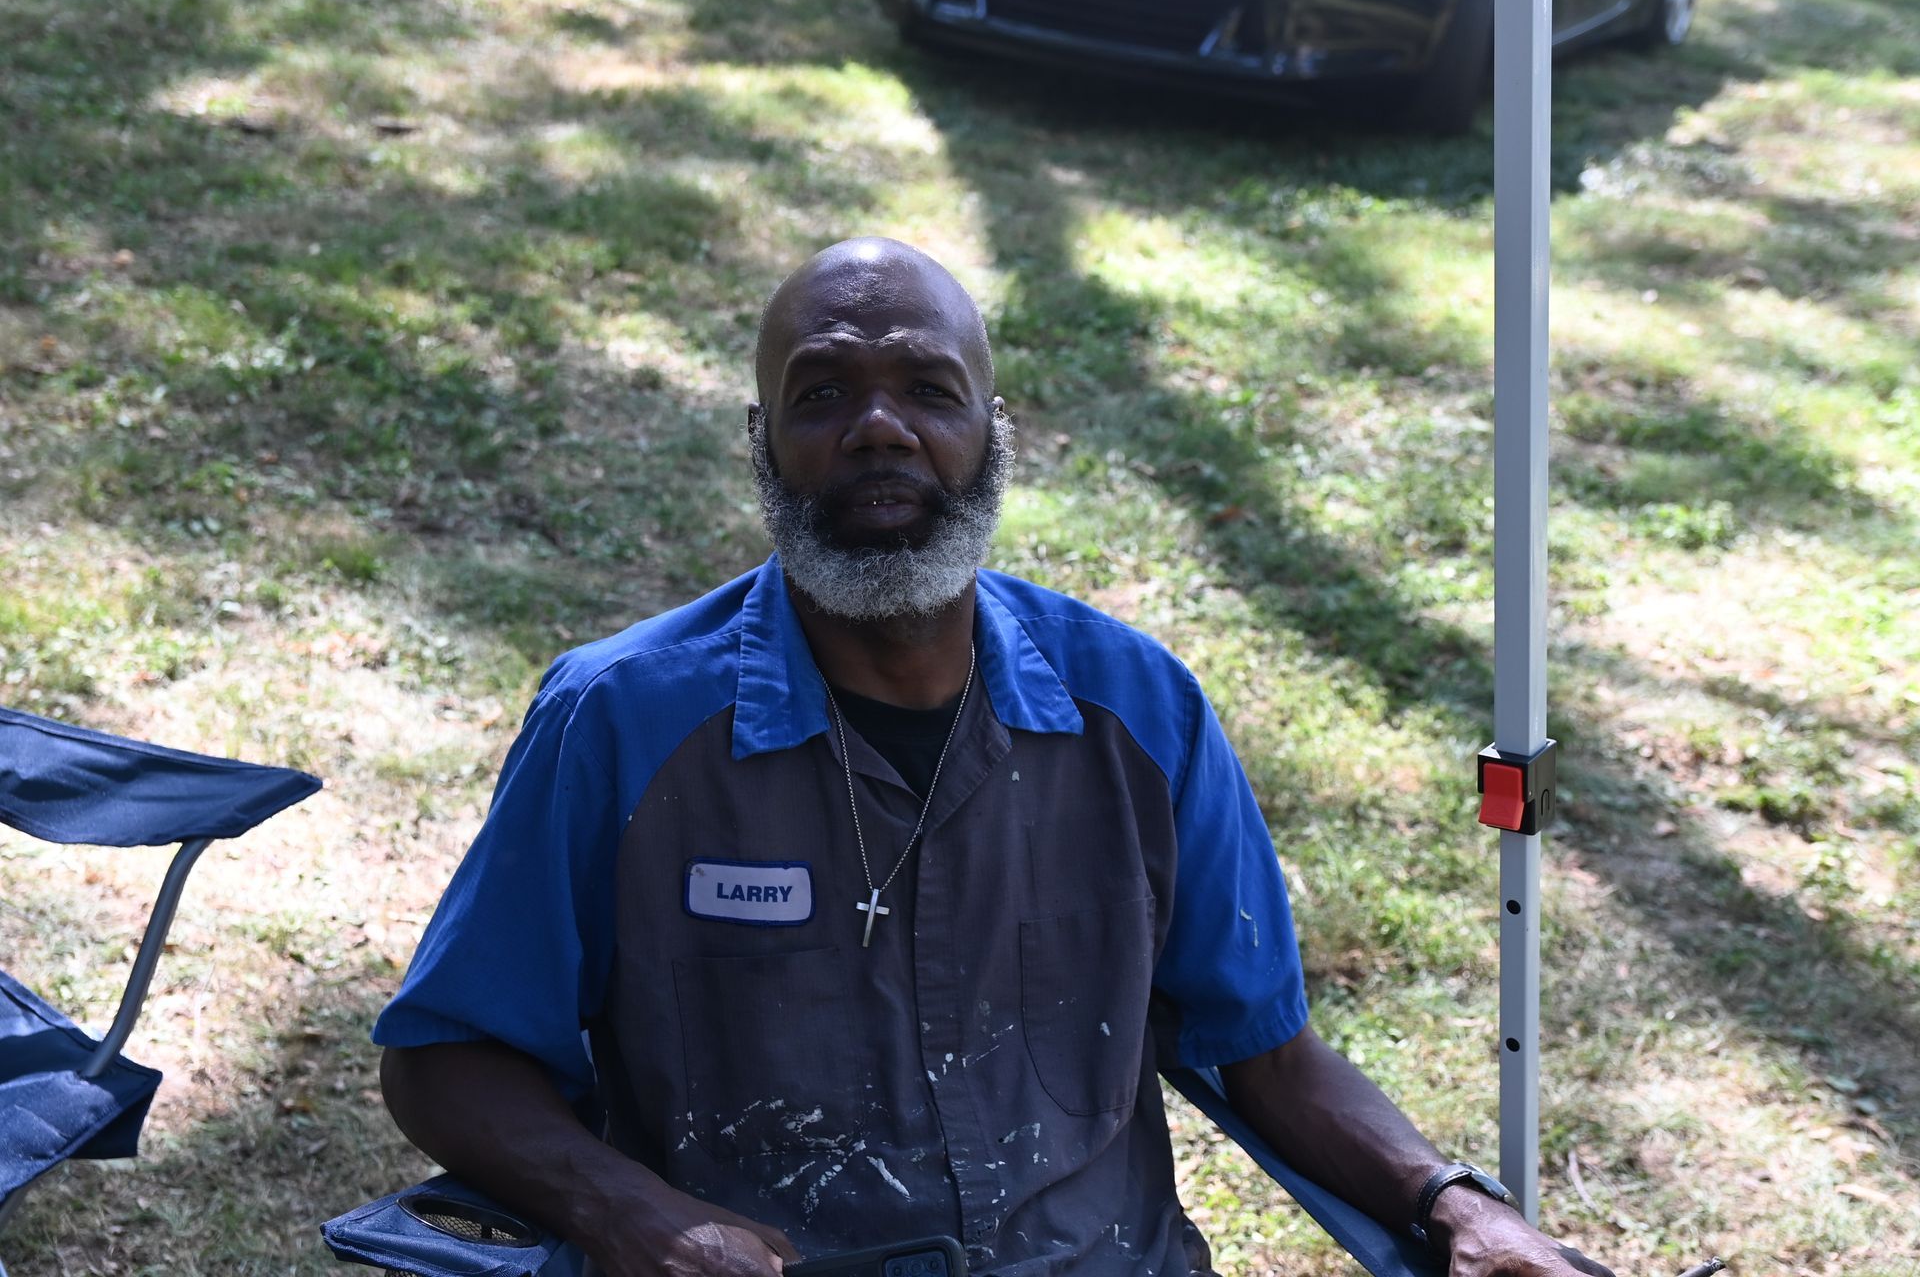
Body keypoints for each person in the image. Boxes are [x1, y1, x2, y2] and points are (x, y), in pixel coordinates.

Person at [374, 238, 1612, 1277]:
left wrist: (1457, 1205)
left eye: (929, 388)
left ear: (991, 429)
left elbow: (1269, 1052)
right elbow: (443, 1059)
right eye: (823, 394)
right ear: (762, 440)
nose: (880, 428)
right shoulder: (620, 722)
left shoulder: (1140, 712)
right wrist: (633, 1214)